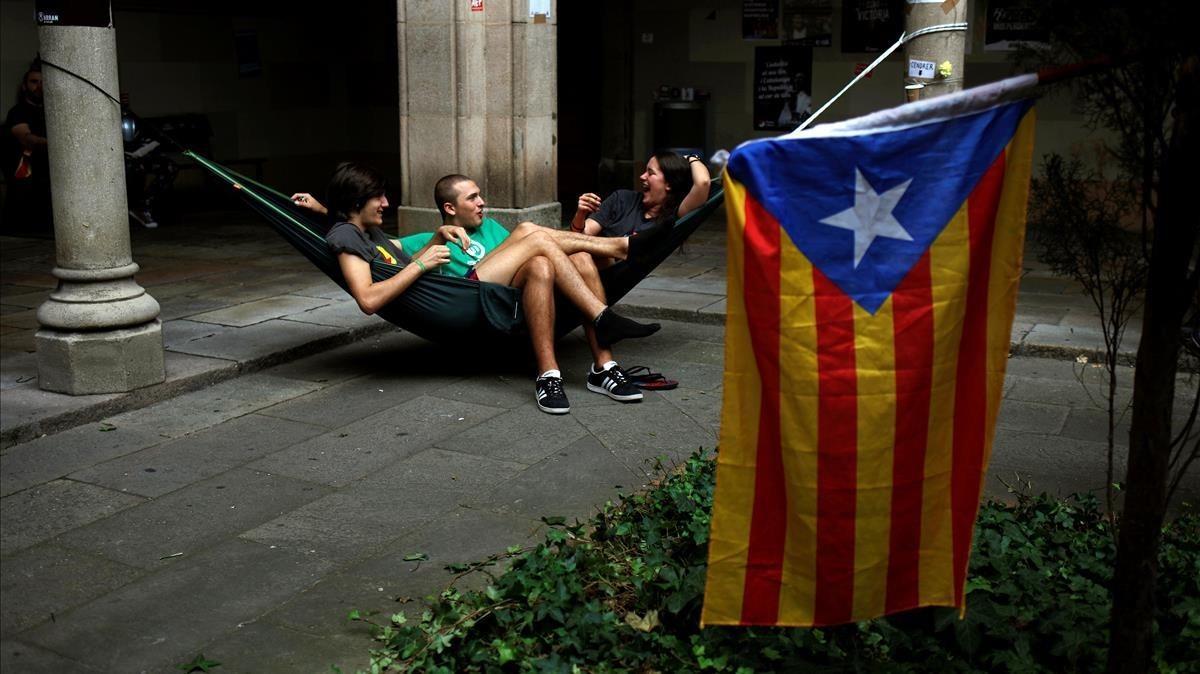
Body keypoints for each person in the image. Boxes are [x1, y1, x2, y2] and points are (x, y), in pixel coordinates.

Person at [292, 165, 657, 414]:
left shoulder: (364, 231)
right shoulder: (347, 236)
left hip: (491, 287)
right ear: (358, 203)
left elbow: (363, 232)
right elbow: (368, 299)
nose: (387, 203)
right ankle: (618, 251)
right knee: (531, 232)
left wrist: (323, 210)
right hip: (461, 296)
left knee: (556, 256)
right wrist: (422, 263)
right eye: (380, 198)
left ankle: (598, 367)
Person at [569, 151, 711, 245]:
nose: (642, 177)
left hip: (610, 264)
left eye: (650, 173)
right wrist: (581, 214)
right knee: (547, 265)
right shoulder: (622, 199)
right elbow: (579, 237)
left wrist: (691, 157)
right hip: (589, 258)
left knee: (552, 244)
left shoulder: (674, 216)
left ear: (669, 183)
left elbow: (703, 182)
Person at [2, 64, 52, 236]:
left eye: (43, 82)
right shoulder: (17, 111)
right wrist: (57, 144)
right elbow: (26, 138)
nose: (39, 86)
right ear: (25, 86)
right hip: (27, 175)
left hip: (49, 173)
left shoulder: (51, 112)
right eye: (34, 81)